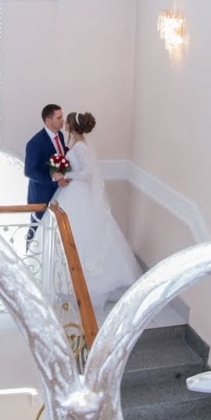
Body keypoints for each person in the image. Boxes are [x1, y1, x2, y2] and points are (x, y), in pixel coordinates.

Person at [52, 111, 140, 303]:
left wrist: (66, 176)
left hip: (79, 192)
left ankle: (86, 282)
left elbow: (89, 172)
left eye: (67, 122)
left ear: (72, 126)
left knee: (80, 232)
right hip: (74, 191)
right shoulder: (77, 144)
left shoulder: (80, 147)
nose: (64, 124)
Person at [24, 103, 69, 245]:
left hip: (58, 194)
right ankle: (28, 253)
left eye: (62, 117)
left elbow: (61, 156)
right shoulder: (35, 142)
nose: (63, 120)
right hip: (41, 195)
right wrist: (54, 182)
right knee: (36, 230)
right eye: (59, 118)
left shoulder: (60, 135)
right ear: (48, 121)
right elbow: (30, 171)